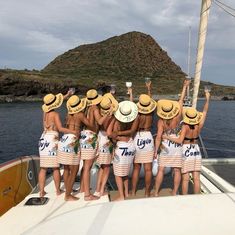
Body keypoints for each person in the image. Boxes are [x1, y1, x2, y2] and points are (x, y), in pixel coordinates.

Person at [163, 90, 210, 194]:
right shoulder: (199, 125)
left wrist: (167, 137)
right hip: (196, 151)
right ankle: (197, 197)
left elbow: (179, 141)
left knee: (185, 179)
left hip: (186, 151)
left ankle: (186, 199)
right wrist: (207, 99)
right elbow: (205, 111)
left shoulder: (185, 126)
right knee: (197, 178)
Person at [154, 80, 190, 196]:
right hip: (176, 146)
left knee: (161, 169)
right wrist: (184, 86)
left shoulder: (161, 121)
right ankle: (174, 192)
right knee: (176, 170)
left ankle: (155, 192)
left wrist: (155, 151)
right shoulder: (178, 117)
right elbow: (180, 101)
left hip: (165, 146)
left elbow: (159, 137)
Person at [38, 93, 76, 198]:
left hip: (43, 138)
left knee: (43, 168)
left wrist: (67, 95)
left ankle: (41, 191)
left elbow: (55, 101)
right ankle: (58, 191)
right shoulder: (55, 115)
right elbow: (60, 129)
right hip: (52, 140)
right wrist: (72, 131)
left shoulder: (45, 112)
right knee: (55, 167)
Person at [57, 95, 92, 201]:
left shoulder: (68, 114)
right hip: (72, 141)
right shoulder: (80, 115)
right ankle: (67, 195)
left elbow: (65, 126)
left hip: (64, 139)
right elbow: (90, 124)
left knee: (66, 168)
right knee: (75, 169)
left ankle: (68, 190)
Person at [80, 89, 110, 201]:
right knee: (88, 167)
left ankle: (83, 188)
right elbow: (100, 122)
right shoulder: (94, 108)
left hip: (83, 135)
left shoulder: (86, 107)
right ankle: (87, 195)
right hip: (90, 136)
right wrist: (107, 113)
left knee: (85, 166)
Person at [107, 101, 138, 201]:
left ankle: (121, 195)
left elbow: (109, 134)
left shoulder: (117, 122)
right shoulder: (134, 120)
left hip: (121, 148)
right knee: (125, 172)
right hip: (131, 145)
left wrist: (113, 118)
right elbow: (132, 131)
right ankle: (126, 193)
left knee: (118, 174)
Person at [94, 93, 118, 197]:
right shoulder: (112, 117)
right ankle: (102, 189)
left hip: (99, 138)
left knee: (101, 167)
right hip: (107, 141)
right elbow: (110, 132)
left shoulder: (99, 113)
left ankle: (98, 188)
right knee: (107, 167)